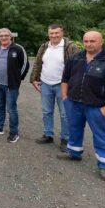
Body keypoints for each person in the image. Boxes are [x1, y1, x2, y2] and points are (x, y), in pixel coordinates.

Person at [57, 31, 105, 182]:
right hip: (73, 102)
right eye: (86, 41)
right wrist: (65, 97)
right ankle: (74, 153)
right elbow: (65, 78)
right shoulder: (75, 58)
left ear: (101, 42)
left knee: (101, 134)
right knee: (74, 129)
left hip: (96, 106)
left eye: (93, 41)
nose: (89, 44)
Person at [30, 24, 80, 152]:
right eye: (51, 33)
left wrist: (73, 85)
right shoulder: (45, 46)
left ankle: (66, 139)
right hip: (45, 83)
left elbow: (79, 67)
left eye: (57, 33)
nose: (54, 36)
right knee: (47, 111)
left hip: (63, 85)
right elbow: (38, 63)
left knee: (65, 113)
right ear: (48, 34)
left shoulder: (70, 47)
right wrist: (34, 79)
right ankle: (48, 135)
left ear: (62, 33)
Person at [0, 28, 29, 143]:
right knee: (0, 107)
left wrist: (17, 79)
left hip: (11, 86)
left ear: (10, 36)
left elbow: (25, 65)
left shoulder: (18, 49)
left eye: (6, 35)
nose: (3, 38)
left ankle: (14, 132)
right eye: (1, 36)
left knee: (11, 109)